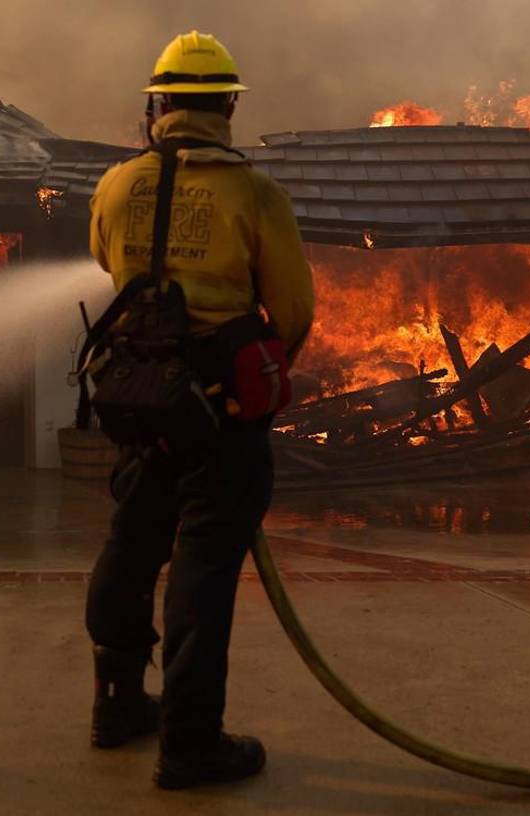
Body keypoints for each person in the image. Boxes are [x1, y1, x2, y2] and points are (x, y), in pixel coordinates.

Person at [84, 30, 314, 790]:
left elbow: (105, 260)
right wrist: (250, 381)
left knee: (130, 541)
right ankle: (190, 743)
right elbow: (292, 310)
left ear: (158, 104)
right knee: (204, 568)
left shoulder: (116, 184)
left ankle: (116, 707)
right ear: (227, 108)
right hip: (219, 415)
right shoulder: (254, 194)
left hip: (137, 401)